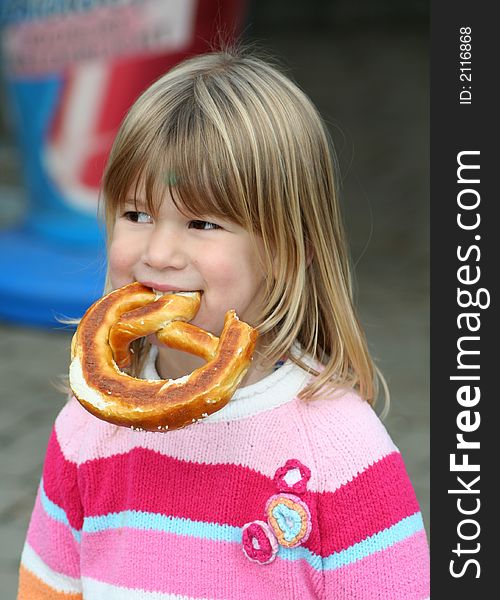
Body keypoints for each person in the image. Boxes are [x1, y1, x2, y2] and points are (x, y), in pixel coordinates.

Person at [17, 49, 430, 599]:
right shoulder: (87, 429)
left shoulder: (339, 454)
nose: (160, 252)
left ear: (287, 250)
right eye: (137, 214)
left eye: (202, 222)